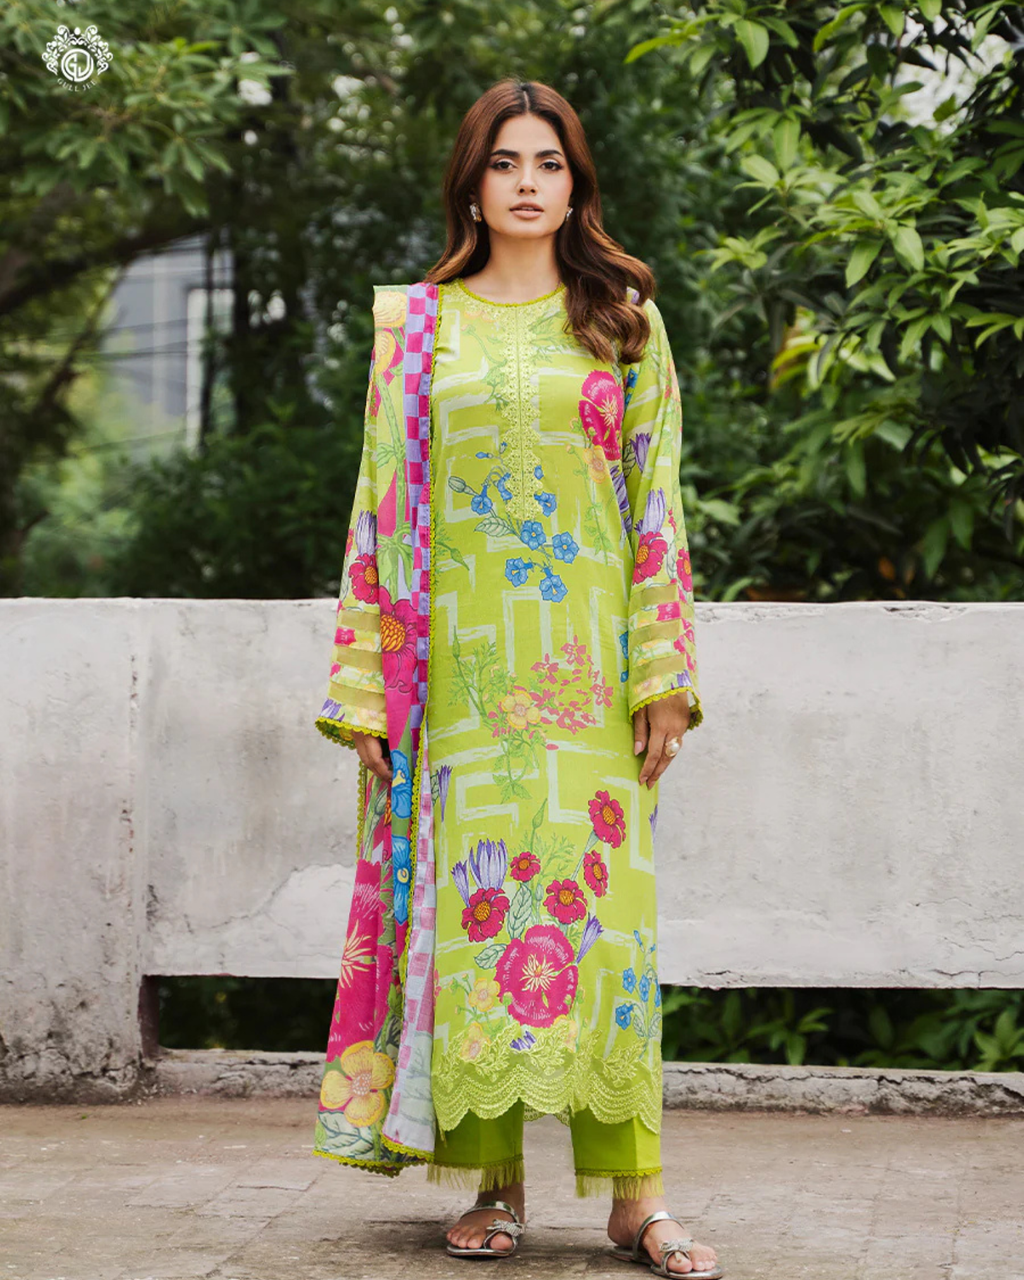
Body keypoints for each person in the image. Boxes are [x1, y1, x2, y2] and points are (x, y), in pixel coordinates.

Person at [311, 79, 721, 1278]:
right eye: (505, 162)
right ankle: (490, 1186)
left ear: (576, 183)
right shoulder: (420, 328)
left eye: (550, 161)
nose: (529, 181)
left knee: (603, 931)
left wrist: (662, 677)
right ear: (473, 183)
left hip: (591, 674)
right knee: (477, 915)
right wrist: (370, 688)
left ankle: (633, 1197)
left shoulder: (625, 320)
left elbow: (658, 507)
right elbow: (378, 514)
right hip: (461, 679)